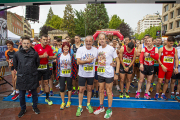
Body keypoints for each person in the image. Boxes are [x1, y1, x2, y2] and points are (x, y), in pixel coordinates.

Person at [94, 33, 120, 119]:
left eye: (103, 39)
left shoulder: (111, 49)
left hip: (109, 73)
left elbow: (117, 61)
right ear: (98, 40)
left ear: (106, 39)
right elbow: (97, 59)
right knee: (101, 90)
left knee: (109, 91)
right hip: (100, 73)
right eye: (100, 39)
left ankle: (109, 109)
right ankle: (101, 107)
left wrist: (116, 73)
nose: (101, 40)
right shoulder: (98, 49)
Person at [13, 36, 40, 118]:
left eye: (28, 43)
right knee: (21, 95)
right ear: (21, 43)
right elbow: (15, 65)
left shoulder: (35, 53)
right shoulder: (17, 54)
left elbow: (37, 64)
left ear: (30, 44)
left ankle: (35, 107)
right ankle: (23, 108)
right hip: (22, 77)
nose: (26, 45)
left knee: (34, 94)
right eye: (24, 43)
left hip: (32, 76)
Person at [75, 36, 98, 117]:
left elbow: (100, 59)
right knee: (81, 90)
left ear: (92, 42)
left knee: (89, 89)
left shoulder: (95, 50)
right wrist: (87, 61)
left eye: (90, 41)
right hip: (82, 74)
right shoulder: (80, 49)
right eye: (87, 41)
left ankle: (88, 104)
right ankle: (80, 106)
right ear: (84, 42)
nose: (88, 43)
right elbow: (78, 62)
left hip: (91, 74)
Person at [34, 34, 56, 105]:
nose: (45, 41)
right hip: (38, 67)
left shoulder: (49, 47)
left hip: (46, 66)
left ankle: (47, 97)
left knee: (46, 82)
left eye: (46, 40)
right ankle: (35, 98)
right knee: (38, 83)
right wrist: (42, 56)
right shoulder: (36, 46)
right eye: (44, 39)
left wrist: (51, 57)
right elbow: (34, 56)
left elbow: (50, 57)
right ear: (40, 40)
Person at [56, 42, 77, 109]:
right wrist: (57, 74)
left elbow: (74, 65)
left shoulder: (71, 55)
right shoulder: (59, 55)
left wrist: (74, 74)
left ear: (69, 48)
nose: (66, 48)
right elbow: (57, 65)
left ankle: (68, 101)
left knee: (69, 87)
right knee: (62, 88)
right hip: (61, 74)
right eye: (64, 47)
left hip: (69, 75)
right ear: (62, 48)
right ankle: (63, 102)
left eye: (67, 47)